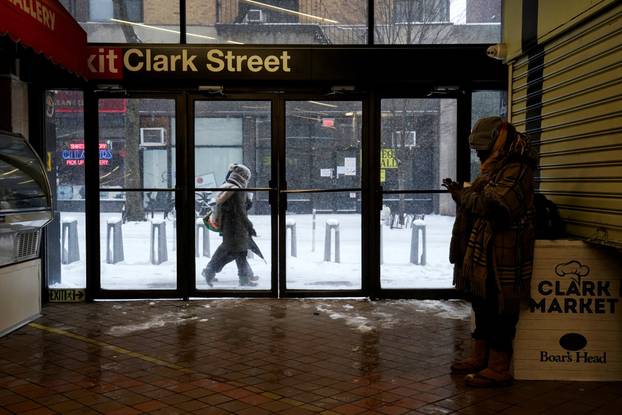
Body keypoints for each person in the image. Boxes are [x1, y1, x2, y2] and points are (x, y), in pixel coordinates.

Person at [443, 116, 537, 387]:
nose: (478, 154)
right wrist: (466, 194)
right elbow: (486, 200)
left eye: (481, 148)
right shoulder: (497, 166)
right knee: (483, 306)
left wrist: (463, 196)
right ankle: (480, 357)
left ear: (498, 141)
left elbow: (497, 207)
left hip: (503, 252)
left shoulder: (517, 168)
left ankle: (498, 368)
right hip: (487, 250)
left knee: (500, 310)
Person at [202, 163, 259, 287]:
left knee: (239, 252)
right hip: (236, 227)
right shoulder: (237, 190)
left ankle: (244, 277)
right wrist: (249, 225)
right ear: (243, 177)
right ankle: (210, 270)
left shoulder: (227, 187)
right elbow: (241, 210)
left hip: (229, 226)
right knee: (233, 251)